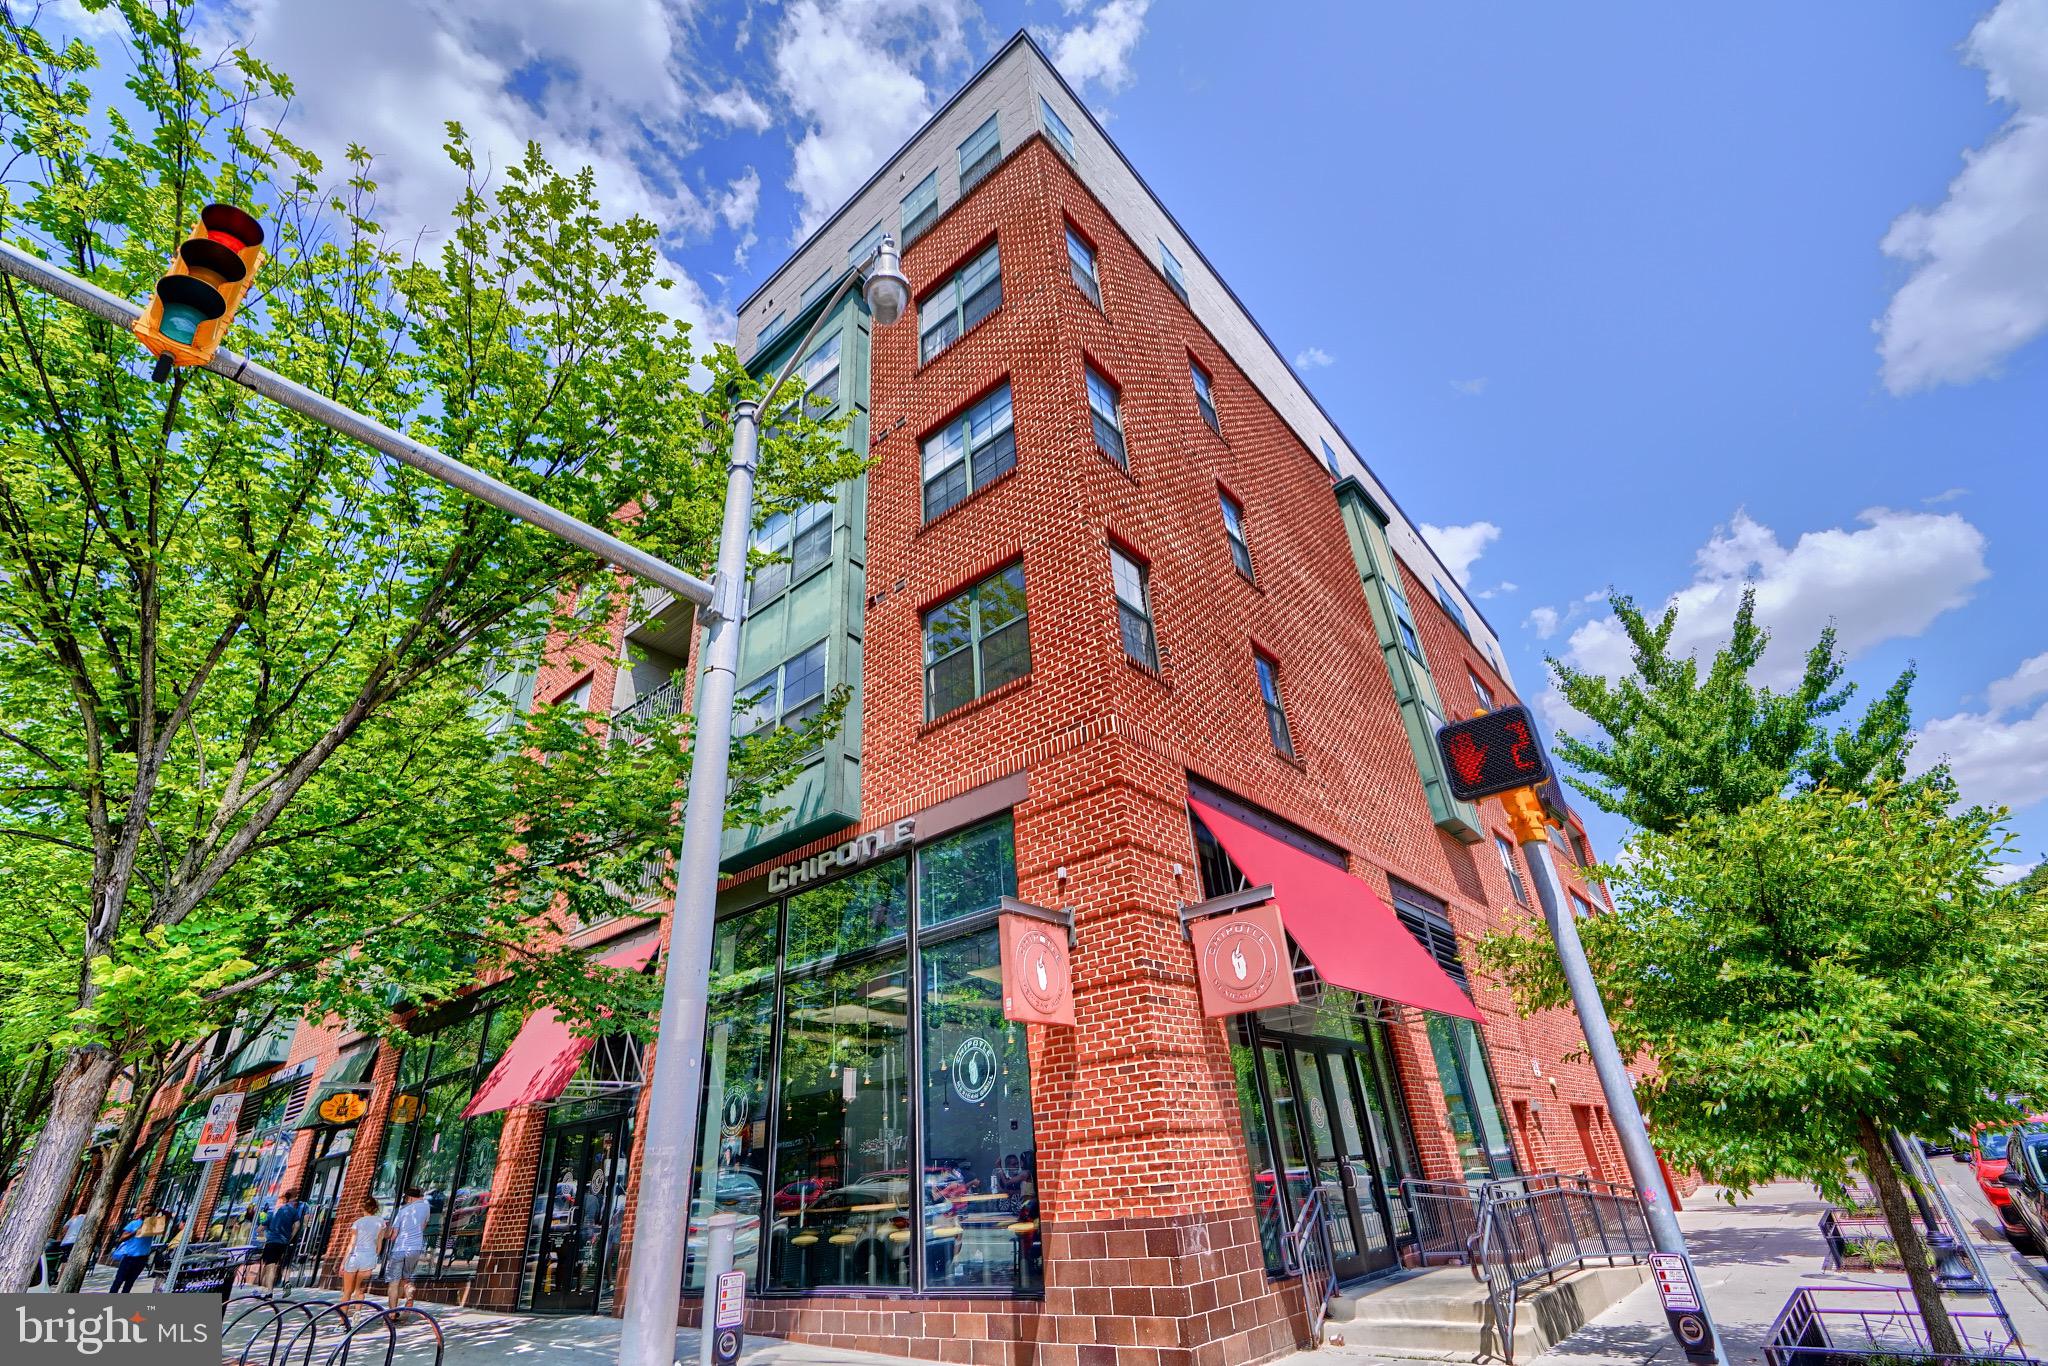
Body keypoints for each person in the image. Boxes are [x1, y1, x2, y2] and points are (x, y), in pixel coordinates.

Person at [337, 1195, 386, 1315]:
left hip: (355, 1256)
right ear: (375, 1208)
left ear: (362, 1207)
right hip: (369, 1257)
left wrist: (343, 1263)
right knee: (359, 1289)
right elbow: (379, 1243)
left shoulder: (357, 1223)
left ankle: (342, 1321)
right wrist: (375, 1256)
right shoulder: (381, 1222)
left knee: (347, 1292)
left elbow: (351, 1244)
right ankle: (356, 1315)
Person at [386, 1186, 430, 1317]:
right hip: (415, 1248)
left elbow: (394, 1235)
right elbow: (423, 1227)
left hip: (400, 1248)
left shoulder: (403, 1210)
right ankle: (409, 1296)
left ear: (409, 1197)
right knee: (406, 1278)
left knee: (394, 1283)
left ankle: (392, 1314)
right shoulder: (426, 1207)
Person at [259, 1194, 308, 1293]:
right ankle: (285, 1285)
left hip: (271, 1242)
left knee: (270, 1266)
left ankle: (268, 1291)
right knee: (283, 1264)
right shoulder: (292, 1212)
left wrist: (264, 1236)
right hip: (283, 1242)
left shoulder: (272, 1213)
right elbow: (298, 1225)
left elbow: (260, 1228)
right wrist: (290, 1238)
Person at [107, 1218, 154, 1294]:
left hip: (142, 1259)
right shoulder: (133, 1223)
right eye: (146, 1211)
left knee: (130, 1283)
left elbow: (166, 1219)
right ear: (142, 1211)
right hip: (129, 1257)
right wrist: (135, 1232)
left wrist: (161, 1211)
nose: (148, 1213)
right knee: (119, 1280)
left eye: (151, 1211)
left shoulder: (152, 1225)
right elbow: (121, 1238)